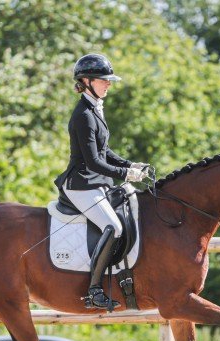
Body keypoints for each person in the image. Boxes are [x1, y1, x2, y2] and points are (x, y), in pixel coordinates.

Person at [54, 53, 149, 310]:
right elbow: (94, 162)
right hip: (81, 183)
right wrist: (126, 175)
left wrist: (130, 165)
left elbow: (105, 152)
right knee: (114, 227)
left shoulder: (95, 110)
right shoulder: (83, 115)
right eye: (103, 80)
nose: (108, 84)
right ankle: (94, 289)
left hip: (95, 181)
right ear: (86, 81)